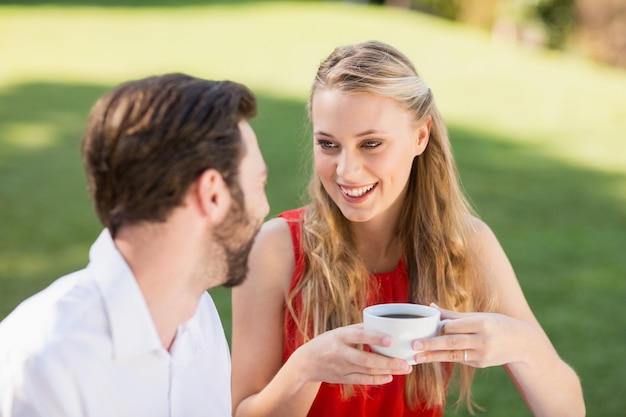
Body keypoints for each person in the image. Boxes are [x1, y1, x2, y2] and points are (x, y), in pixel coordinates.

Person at [230, 41, 585, 417]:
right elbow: (242, 411)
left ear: (420, 136)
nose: (347, 170)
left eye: (371, 143)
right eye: (328, 144)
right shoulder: (277, 248)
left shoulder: (466, 244)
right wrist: (305, 369)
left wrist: (523, 346)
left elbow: (567, 410)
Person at [0, 73, 269, 417]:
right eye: (258, 184)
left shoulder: (197, 315)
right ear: (213, 194)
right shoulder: (42, 363)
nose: (264, 209)